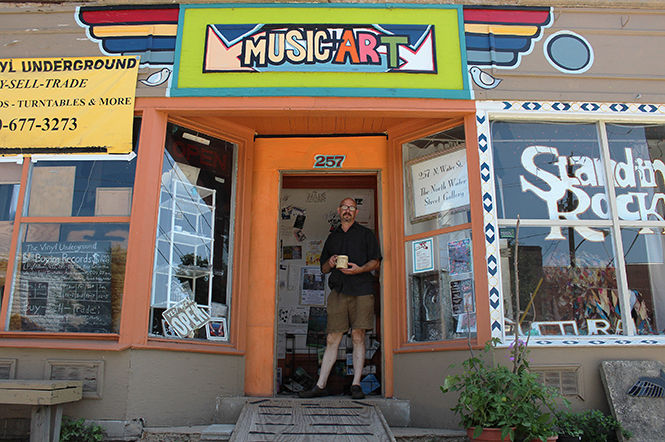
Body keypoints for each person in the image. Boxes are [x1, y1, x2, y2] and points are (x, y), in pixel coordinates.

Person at [299, 197, 381, 399]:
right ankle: (320, 385)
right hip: (338, 291)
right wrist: (331, 260)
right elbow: (324, 269)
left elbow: (376, 262)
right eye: (344, 207)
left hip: (361, 289)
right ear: (339, 210)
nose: (347, 210)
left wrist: (360, 269)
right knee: (332, 338)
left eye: (351, 208)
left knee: (358, 336)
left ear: (356, 212)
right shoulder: (333, 237)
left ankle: (356, 385)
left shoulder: (366, 234)